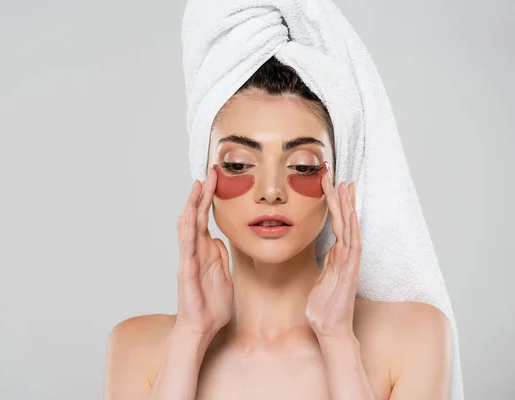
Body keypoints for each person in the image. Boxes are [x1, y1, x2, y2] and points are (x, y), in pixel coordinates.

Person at [103, 57, 452, 399]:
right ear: (204, 177)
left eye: (302, 166)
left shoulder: (415, 336)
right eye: (238, 164)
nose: (271, 191)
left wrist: (337, 340)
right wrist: (191, 337)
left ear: (337, 179)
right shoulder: (137, 349)